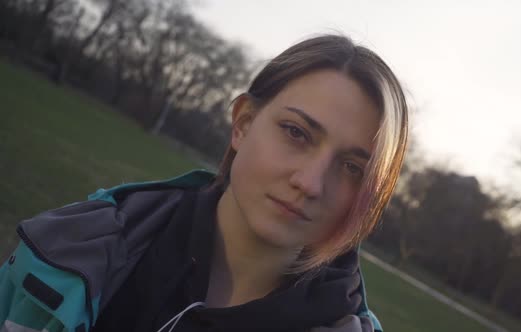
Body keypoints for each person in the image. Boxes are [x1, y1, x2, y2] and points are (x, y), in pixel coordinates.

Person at [0, 34, 408, 332]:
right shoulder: (74, 248)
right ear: (244, 123)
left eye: (353, 167)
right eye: (296, 133)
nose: (310, 183)